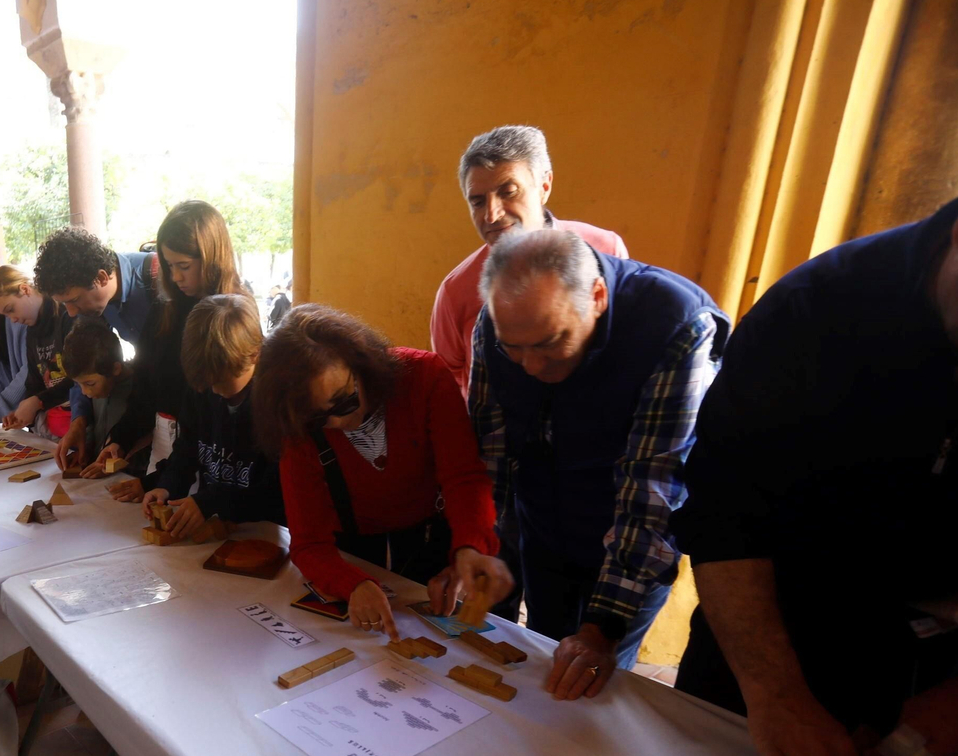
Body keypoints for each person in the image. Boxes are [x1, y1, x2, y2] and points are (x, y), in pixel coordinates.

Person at [671, 187, 958, 756]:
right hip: (772, 627)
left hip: (946, 657)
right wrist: (775, 691)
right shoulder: (813, 313)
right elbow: (725, 517)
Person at [471, 229, 726, 699]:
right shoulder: (496, 326)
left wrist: (602, 629)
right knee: (545, 658)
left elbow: (654, 490)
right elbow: (492, 453)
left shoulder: (676, 327)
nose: (528, 366)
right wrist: (486, 544)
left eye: (548, 343)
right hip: (544, 532)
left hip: (633, 542)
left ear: (598, 297)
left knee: (591, 681)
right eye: (514, 348)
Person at [432, 125, 630, 625]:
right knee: (502, 604)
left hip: (596, 470)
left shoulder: (603, 250)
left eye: (507, 192)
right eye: (477, 200)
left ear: (544, 186)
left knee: (591, 617)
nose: (491, 214)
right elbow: (457, 388)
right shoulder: (458, 292)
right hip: (512, 471)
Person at [254, 305, 511, 639]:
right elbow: (309, 542)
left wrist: (467, 551)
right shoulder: (295, 423)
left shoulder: (424, 376)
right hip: (355, 546)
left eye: (345, 402)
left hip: (432, 534)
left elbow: (464, 478)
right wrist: (352, 583)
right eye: (318, 420)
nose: (338, 423)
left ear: (362, 364)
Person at [93, 201, 250, 499]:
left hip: (216, 462)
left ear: (212, 257)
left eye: (184, 266)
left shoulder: (233, 315)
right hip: (171, 455)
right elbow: (145, 387)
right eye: (169, 266)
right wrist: (121, 439)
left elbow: (216, 416)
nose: (176, 277)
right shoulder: (164, 312)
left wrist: (161, 480)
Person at [143, 293, 283, 538]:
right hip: (216, 524)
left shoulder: (277, 404)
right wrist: (167, 486)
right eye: (207, 385)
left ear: (254, 355)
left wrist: (210, 501)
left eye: (221, 381)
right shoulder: (204, 388)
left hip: (265, 532)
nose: (215, 391)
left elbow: (275, 493)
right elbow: (188, 448)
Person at [32, 227, 160, 471]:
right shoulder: (94, 305)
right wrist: (78, 422)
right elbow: (83, 361)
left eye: (74, 300)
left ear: (102, 278)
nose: (71, 312)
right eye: (64, 304)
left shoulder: (157, 282)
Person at [0, 264, 74, 436]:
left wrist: (37, 402)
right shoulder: (32, 327)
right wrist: (21, 410)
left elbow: (78, 378)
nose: (12, 320)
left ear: (25, 290)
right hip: (52, 426)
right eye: (6, 316)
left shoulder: (65, 317)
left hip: (79, 422)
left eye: (10, 310)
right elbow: (33, 380)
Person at [61, 316, 143, 472]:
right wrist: (84, 453)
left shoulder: (139, 392)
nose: (85, 392)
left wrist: (112, 465)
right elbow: (97, 429)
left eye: (90, 384)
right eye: (79, 385)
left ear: (116, 369)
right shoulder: (99, 386)